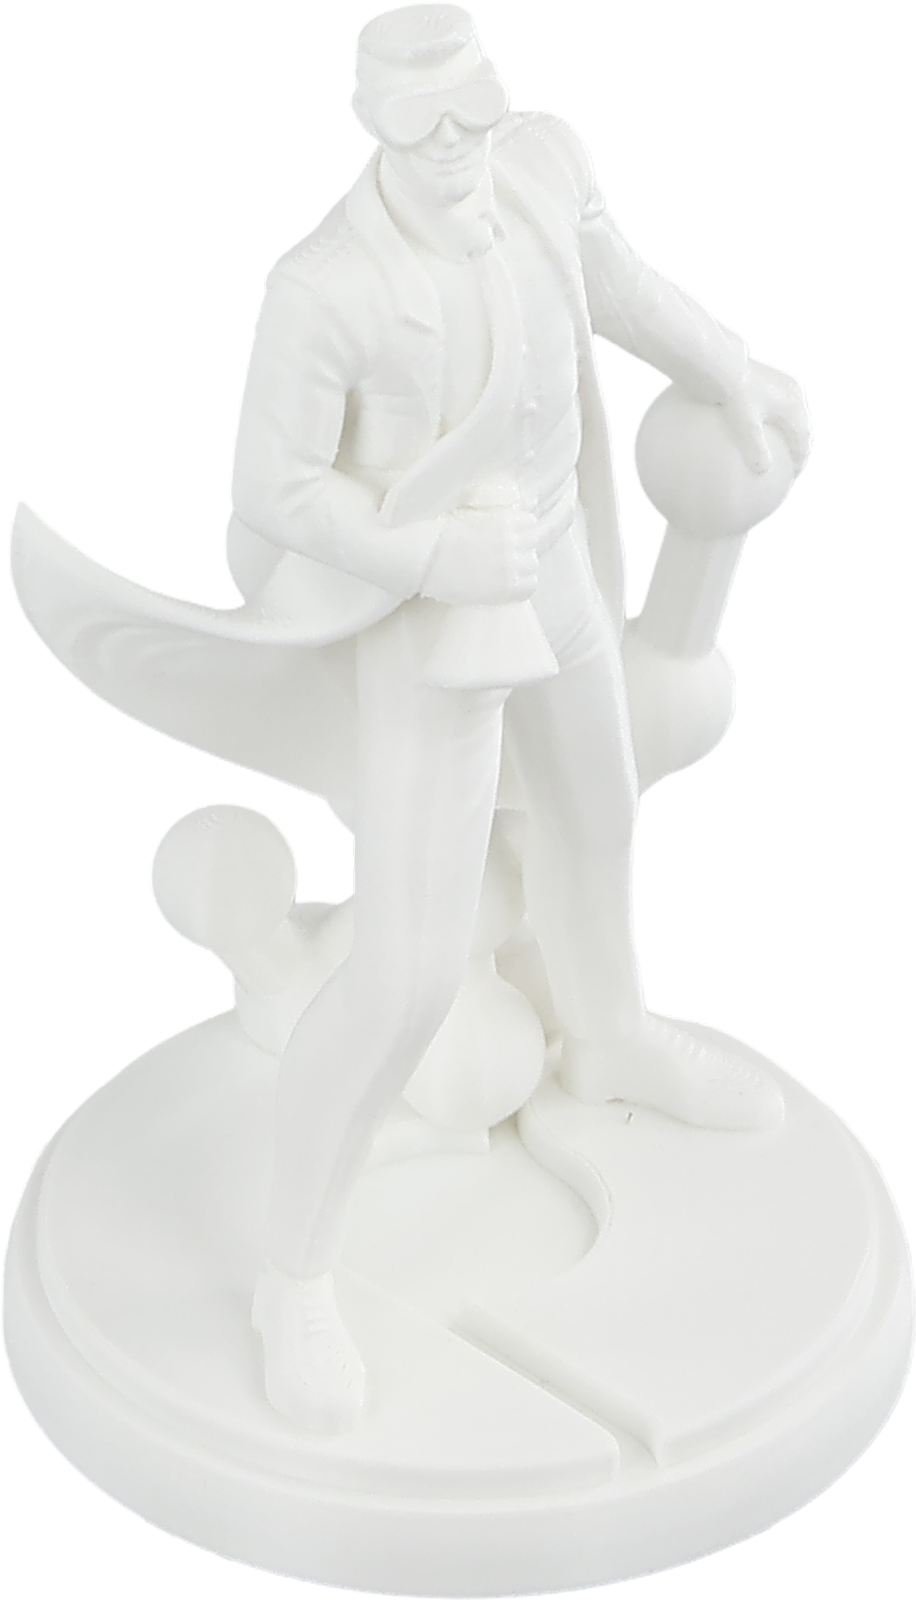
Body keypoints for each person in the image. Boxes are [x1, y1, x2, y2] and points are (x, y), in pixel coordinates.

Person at [224, 2, 813, 1432]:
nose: (456, 146)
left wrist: (727, 363)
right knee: (411, 968)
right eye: (424, 125)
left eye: (473, 112)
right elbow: (272, 492)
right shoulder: (324, 287)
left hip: (556, 576)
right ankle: (292, 1276)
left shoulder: (540, 166)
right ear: (371, 122)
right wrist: (429, 556)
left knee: (595, 811)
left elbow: (618, 287)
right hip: (429, 627)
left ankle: (607, 1035)